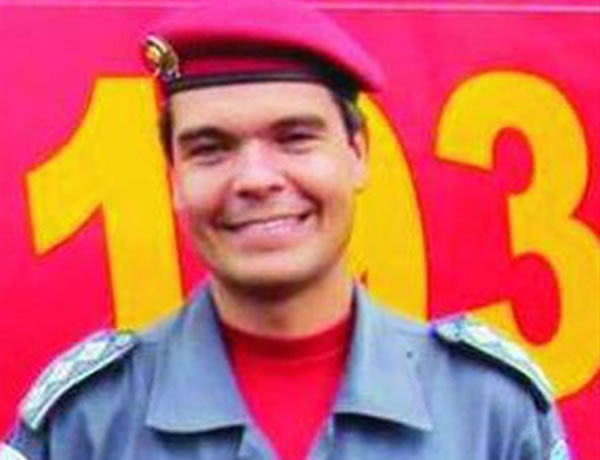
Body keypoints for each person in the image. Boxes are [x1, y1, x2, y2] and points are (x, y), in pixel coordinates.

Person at [2, 0, 570, 459]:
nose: (255, 179)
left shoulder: (489, 412)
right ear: (174, 178)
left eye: (295, 138)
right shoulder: (87, 423)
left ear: (358, 153)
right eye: (211, 148)